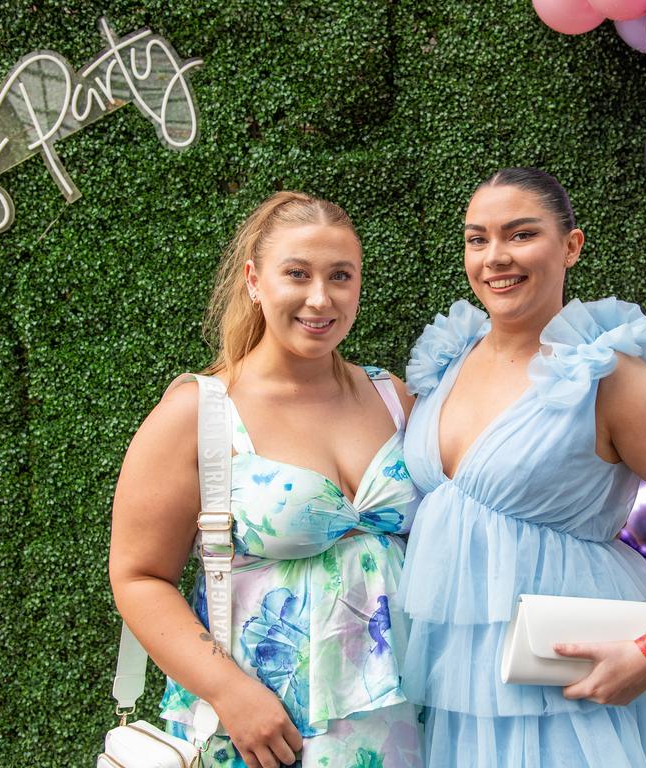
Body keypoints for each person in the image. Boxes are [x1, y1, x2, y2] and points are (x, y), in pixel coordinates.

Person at [396, 168, 646, 767]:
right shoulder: (445, 364)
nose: (494, 258)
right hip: (457, 691)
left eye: (520, 234)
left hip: (565, 689)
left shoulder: (611, 379)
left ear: (571, 246)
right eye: (476, 238)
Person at [109, 191, 424, 768]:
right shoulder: (199, 413)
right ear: (254, 280)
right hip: (262, 731)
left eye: (340, 276)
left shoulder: (392, 395)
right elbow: (138, 576)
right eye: (296, 274)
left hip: (402, 717)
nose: (320, 298)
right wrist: (230, 693)